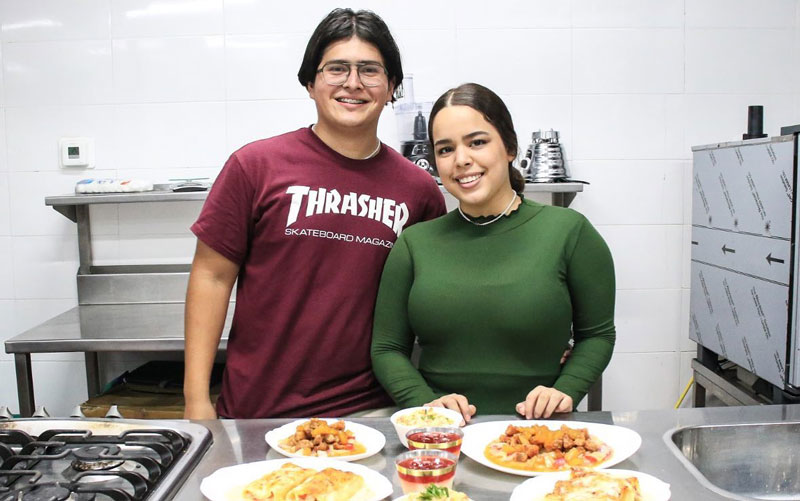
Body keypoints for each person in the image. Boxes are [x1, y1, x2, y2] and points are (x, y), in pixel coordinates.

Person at [183, 8, 446, 419]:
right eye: (336, 69)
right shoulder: (255, 166)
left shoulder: (418, 189)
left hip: (369, 413)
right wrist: (196, 400)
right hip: (257, 411)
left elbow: (435, 298)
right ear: (310, 82)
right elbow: (211, 277)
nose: (353, 83)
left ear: (392, 86)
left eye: (370, 70)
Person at [371, 83, 615, 423]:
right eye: (445, 149)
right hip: (442, 436)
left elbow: (597, 335)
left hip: (537, 432)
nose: (461, 160)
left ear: (510, 147)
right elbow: (387, 349)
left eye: (477, 142)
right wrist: (426, 403)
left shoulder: (569, 232)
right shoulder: (415, 243)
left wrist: (565, 390)